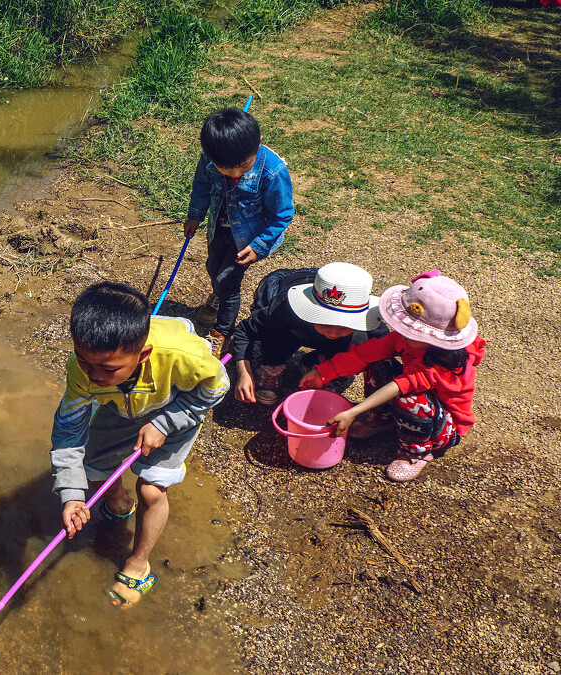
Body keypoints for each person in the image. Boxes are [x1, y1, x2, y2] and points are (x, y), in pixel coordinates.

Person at [50, 282, 228, 608]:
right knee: (92, 468)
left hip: (177, 407)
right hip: (120, 405)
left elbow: (216, 389)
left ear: (142, 354)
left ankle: (139, 565)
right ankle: (118, 502)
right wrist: (72, 496)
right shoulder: (82, 372)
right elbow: (68, 435)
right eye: (84, 362)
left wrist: (165, 423)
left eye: (107, 368)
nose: (92, 375)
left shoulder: (185, 357)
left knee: (151, 489)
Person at [299, 271, 486, 482]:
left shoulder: (445, 363)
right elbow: (365, 353)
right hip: (415, 400)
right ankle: (383, 419)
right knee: (377, 362)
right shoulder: (405, 340)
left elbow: (400, 386)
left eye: (409, 331)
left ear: (433, 339)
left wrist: (354, 411)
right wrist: (324, 372)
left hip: (444, 428)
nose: (401, 333)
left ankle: (417, 453)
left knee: (412, 400)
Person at [183, 107, 294, 359]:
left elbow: (282, 214)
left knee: (227, 282)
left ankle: (223, 331)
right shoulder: (208, 160)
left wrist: (259, 246)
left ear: (259, 144)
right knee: (213, 266)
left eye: (243, 166)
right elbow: (201, 185)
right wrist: (195, 215)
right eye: (225, 168)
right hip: (219, 228)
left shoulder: (273, 172)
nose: (234, 174)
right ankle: (218, 295)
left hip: (249, 238)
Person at [232, 263, 390, 417]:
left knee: (359, 345)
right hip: (296, 308)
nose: (333, 333)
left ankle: (315, 363)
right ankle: (272, 364)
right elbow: (244, 331)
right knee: (276, 334)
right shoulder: (285, 309)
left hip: (316, 322)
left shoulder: (369, 324)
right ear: (309, 311)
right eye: (325, 324)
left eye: (344, 326)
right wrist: (244, 373)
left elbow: (385, 348)